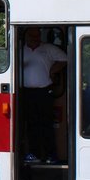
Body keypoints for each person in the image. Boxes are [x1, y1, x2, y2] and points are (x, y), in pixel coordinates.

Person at [21, 27, 67, 164]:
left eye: (37, 35)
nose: (35, 38)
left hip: (44, 91)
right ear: (27, 37)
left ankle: (51, 155)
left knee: (46, 125)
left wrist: (53, 70)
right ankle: (34, 154)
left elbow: (65, 59)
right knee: (30, 125)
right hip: (26, 92)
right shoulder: (20, 50)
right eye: (32, 36)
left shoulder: (48, 48)